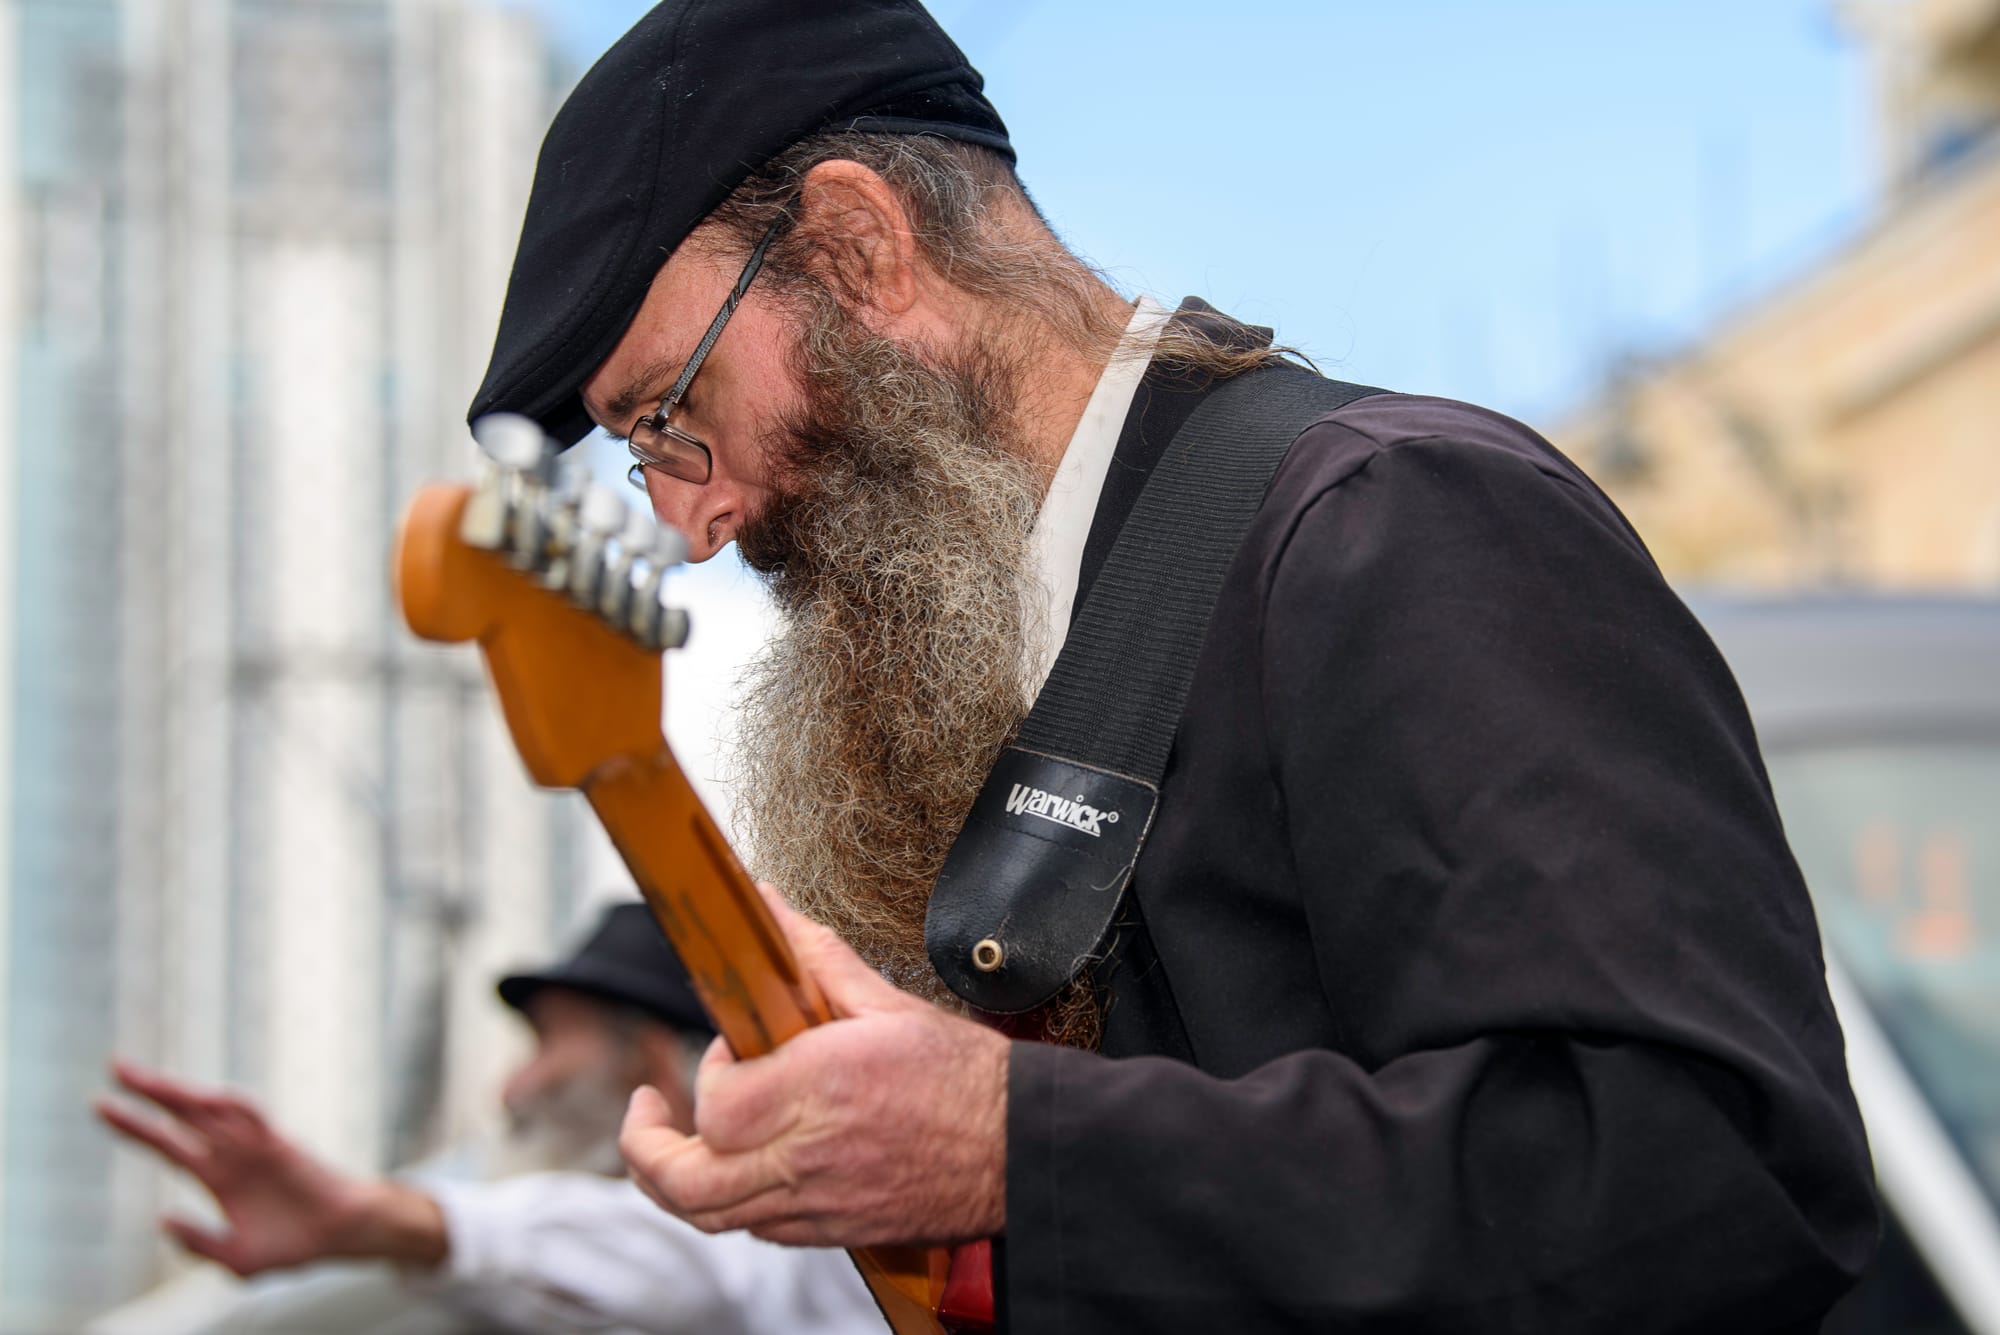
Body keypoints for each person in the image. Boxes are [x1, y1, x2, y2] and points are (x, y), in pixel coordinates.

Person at [468, 3, 1882, 1329]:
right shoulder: (1015, 655)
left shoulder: (1399, 519)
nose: (692, 521)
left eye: (673, 414)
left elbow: (1700, 1171)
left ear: (855, 250)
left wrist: (1011, 1142)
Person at [97, 903, 882, 1335]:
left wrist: (378, 1218)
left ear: (647, 1065)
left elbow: (684, 1258)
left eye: (547, 1045)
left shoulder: (812, 1252)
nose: (512, 1089)